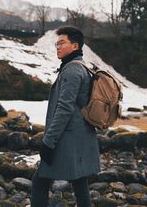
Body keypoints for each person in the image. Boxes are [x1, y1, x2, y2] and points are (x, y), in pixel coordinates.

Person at [31, 26, 100, 207]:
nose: (57, 47)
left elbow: (64, 108)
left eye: (62, 43)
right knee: (79, 181)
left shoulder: (71, 70)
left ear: (75, 46)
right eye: (56, 43)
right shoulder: (81, 67)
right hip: (80, 137)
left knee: (40, 180)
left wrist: (49, 141)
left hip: (67, 138)